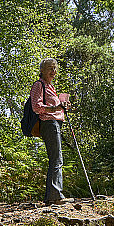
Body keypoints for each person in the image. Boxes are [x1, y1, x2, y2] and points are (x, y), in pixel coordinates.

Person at [30, 58, 73, 205]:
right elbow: (36, 107)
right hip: (48, 123)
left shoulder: (51, 87)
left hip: (55, 123)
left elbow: (55, 107)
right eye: (50, 68)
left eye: (54, 68)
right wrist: (55, 108)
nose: (53, 71)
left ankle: (52, 196)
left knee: (56, 158)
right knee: (56, 159)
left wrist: (63, 106)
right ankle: (55, 196)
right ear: (42, 70)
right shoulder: (39, 85)